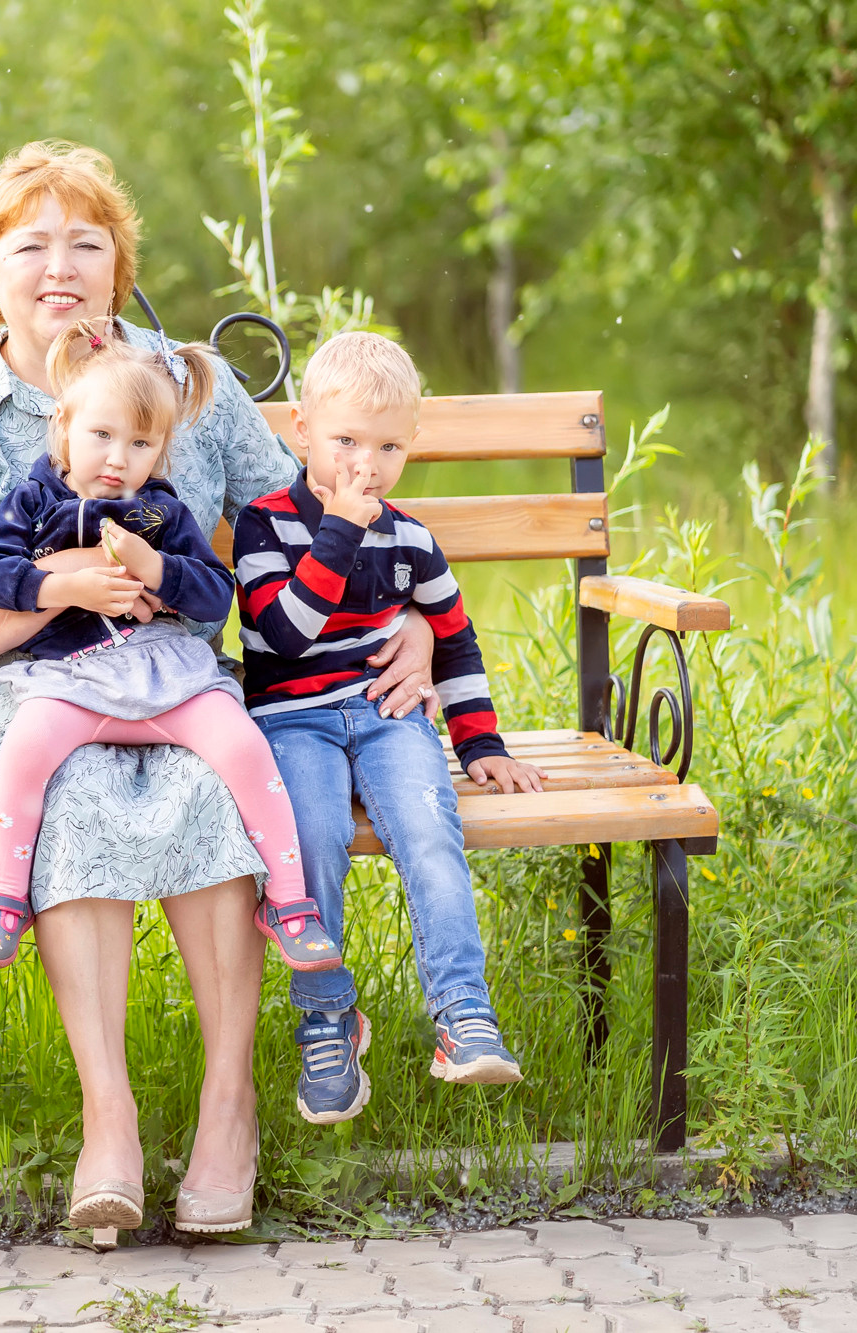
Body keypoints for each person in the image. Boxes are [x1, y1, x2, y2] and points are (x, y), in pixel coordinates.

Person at [0, 140, 440, 1236]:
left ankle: (229, 1108)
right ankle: (109, 1119)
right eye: (29, 245)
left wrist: (408, 615)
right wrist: (60, 585)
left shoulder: (185, 384)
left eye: (85, 243)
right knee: (75, 789)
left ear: (117, 268)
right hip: (25, 690)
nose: (59, 268)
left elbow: (305, 513)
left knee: (217, 775)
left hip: (175, 671)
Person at [0, 315, 339, 981]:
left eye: (139, 443)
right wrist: (65, 585)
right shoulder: (33, 500)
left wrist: (153, 567)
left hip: (165, 673)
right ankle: (3, 897)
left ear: (159, 452)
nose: (116, 457)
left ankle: (290, 901)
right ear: (64, 429)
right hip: (73, 678)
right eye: (100, 435)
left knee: (243, 745)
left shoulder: (158, 511)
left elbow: (214, 593)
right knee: (22, 748)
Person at [232, 330, 542, 1128]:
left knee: (429, 830)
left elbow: (455, 634)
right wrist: (339, 527)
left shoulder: (410, 537)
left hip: (388, 714)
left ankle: (462, 1012)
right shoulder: (264, 526)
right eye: (344, 441)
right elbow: (286, 631)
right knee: (313, 837)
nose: (363, 465)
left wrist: (480, 743)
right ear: (301, 430)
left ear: (411, 446)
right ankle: (327, 1013)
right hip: (291, 720)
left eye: (387, 446)